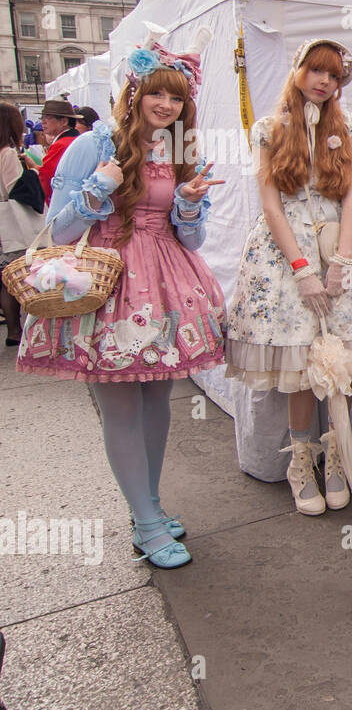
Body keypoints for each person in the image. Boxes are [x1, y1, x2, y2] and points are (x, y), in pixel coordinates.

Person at [14, 29, 226, 568]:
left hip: (166, 281)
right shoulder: (94, 144)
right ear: (133, 91)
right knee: (120, 404)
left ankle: (148, 505)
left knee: (157, 400)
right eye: (157, 92)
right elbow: (58, 232)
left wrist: (188, 204)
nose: (166, 104)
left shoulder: (180, 151)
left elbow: (192, 239)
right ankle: (148, 522)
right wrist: (98, 188)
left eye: (176, 97)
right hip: (105, 284)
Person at [225, 40, 352, 515]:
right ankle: (302, 460)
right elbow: (271, 203)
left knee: (341, 357)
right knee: (301, 365)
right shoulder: (268, 128)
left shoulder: (350, 125)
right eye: (315, 70)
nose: (323, 81)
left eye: (334, 75)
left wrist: (341, 262)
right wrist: (302, 270)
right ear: (296, 69)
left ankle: (336, 453)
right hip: (286, 252)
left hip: (338, 244)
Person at [1, 101, 45, 345]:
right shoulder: (7, 153)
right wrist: (32, 171)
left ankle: (14, 330)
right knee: (18, 278)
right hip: (12, 223)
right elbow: (15, 189)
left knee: (7, 279)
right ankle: (19, 330)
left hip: (5, 225)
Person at [37, 99, 82, 205]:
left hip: (62, 202)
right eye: (42, 117)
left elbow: (46, 176)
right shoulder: (77, 139)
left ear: (64, 121)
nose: (43, 122)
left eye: (48, 117)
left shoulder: (60, 145)